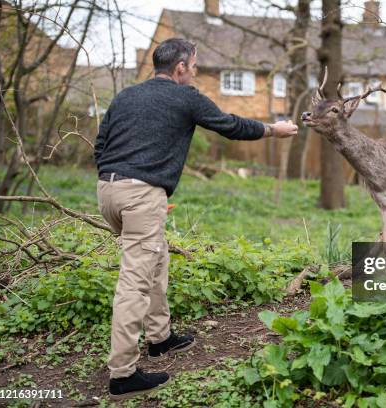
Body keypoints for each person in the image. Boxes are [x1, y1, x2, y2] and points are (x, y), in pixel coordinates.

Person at [94, 38, 298, 400]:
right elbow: (230, 125)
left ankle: (160, 338)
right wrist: (273, 130)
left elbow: (101, 142)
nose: (196, 73)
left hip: (108, 191)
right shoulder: (186, 97)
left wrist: (116, 181)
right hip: (141, 194)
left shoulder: (126, 96)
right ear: (181, 68)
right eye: (195, 67)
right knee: (135, 282)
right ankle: (122, 375)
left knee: (156, 260)